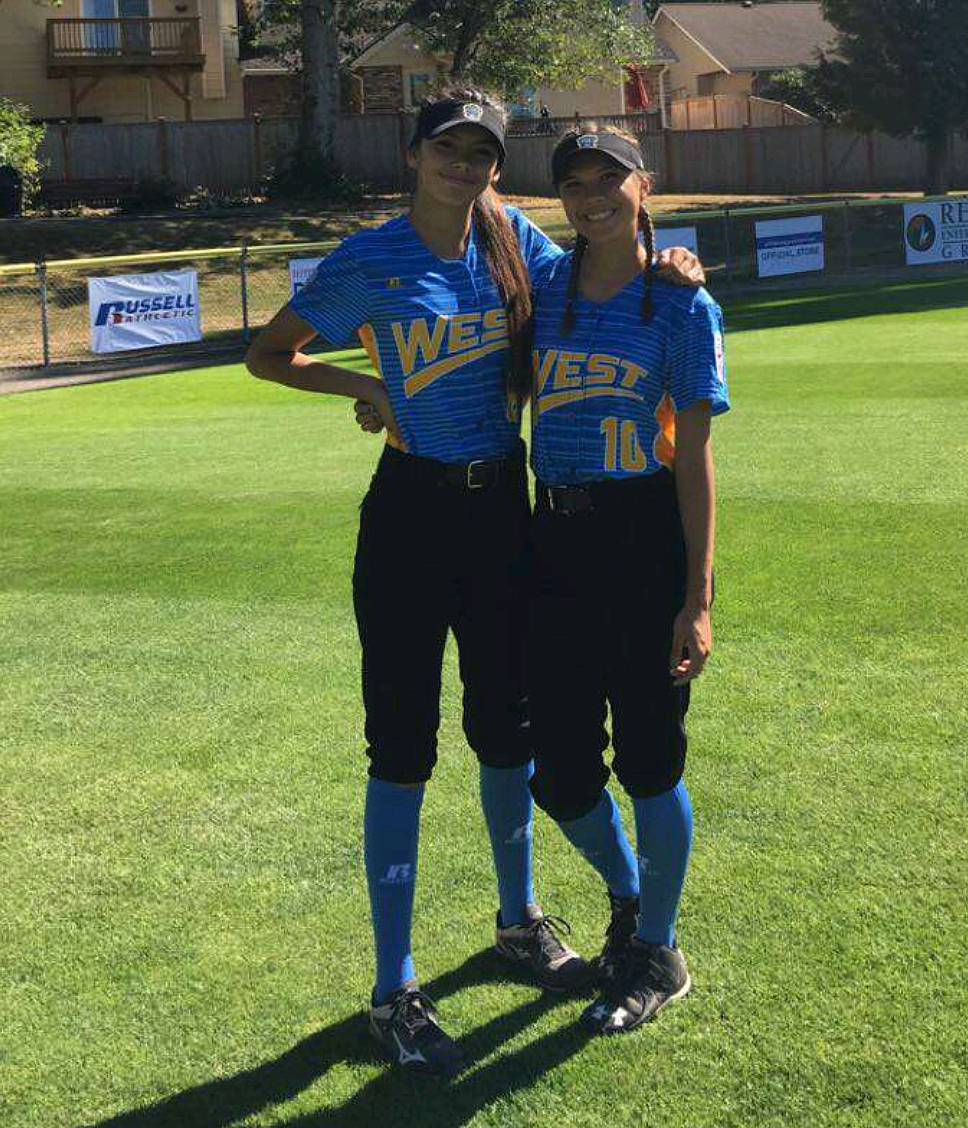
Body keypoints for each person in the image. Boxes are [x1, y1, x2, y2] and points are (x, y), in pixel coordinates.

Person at [246, 89, 703, 1075]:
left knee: (510, 731)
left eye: (480, 153)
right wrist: (366, 385)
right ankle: (393, 985)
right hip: (411, 519)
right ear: (414, 155)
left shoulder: (518, 251)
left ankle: (520, 922)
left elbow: (604, 275)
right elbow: (268, 353)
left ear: (496, 167)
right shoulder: (368, 259)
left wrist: (674, 261)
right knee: (402, 748)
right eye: (446, 148)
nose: (462, 164)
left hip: (506, 514)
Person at [527, 124, 729, 1035]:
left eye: (609, 178)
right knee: (561, 773)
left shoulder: (684, 306)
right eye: (574, 182)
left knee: (649, 760)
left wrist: (698, 598)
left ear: (645, 185)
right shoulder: (539, 286)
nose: (591, 195)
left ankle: (657, 948)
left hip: (643, 538)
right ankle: (632, 897)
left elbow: (695, 463)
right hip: (555, 542)